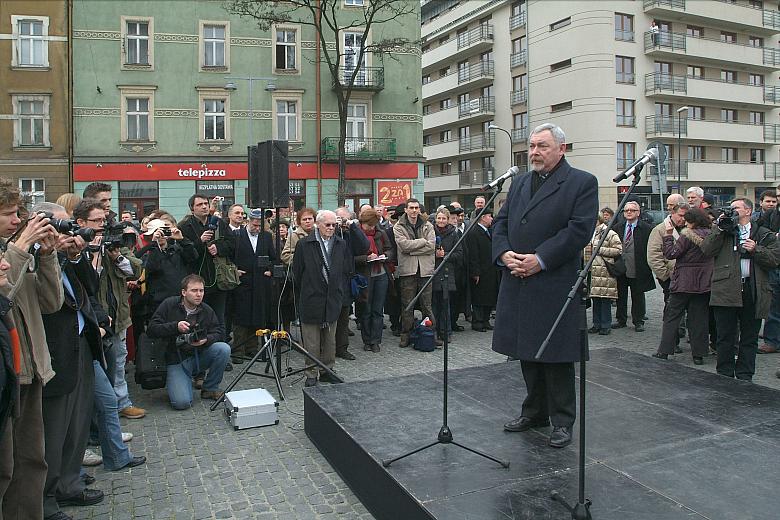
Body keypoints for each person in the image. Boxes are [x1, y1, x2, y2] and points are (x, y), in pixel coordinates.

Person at [493, 123, 598, 449]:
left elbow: (578, 231)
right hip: (518, 280)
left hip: (553, 281)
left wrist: (540, 259)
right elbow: (501, 222)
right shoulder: (521, 182)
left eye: (542, 146)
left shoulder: (581, 183)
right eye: (532, 146)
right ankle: (534, 411)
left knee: (555, 356)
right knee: (527, 351)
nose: (534, 152)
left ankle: (562, 420)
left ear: (561, 149)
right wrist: (503, 253)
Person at [0, 179, 64, 518]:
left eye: (18, 213)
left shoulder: (14, 249)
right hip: (7, 376)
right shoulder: (12, 252)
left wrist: (49, 254)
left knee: (31, 462)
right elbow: (2, 300)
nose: (17, 220)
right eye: (8, 213)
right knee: (5, 469)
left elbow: (51, 302)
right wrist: (20, 248)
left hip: (31, 369)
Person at [40, 203, 106, 518]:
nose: (70, 232)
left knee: (77, 423)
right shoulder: (36, 255)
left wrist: (76, 256)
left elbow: (93, 288)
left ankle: (69, 482)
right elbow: (47, 302)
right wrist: (50, 255)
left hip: (81, 343)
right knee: (54, 430)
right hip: (55, 349)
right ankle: (47, 496)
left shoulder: (69, 254)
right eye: (64, 226)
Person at [701, 198, 780, 381]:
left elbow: (774, 260)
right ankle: (725, 374)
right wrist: (720, 228)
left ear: (748, 211)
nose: (732, 211)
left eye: (736, 208)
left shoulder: (763, 233)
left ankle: (745, 375)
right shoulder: (723, 230)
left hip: (753, 291)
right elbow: (706, 250)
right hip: (726, 289)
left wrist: (756, 250)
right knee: (725, 336)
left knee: (749, 337)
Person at [146, 274, 231, 408]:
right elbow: (151, 329)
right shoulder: (169, 304)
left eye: (201, 291)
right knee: (182, 403)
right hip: (176, 359)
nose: (199, 295)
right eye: (194, 290)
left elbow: (219, 331)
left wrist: (206, 339)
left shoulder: (206, 310)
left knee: (223, 349)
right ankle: (178, 381)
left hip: (199, 355)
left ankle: (210, 388)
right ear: (184, 292)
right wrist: (175, 327)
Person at [293, 210, 352, 387]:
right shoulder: (304, 244)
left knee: (329, 340)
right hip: (311, 298)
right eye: (328, 225)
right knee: (311, 341)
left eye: (334, 225)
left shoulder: (341, 244)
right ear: (318, 224)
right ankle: (311, 373)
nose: (331, 228)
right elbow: (297, 272)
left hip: (332, 298)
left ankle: (327, 370)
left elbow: (345, 269)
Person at [652, 208, 714, 364]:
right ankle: (698, 354)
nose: (684, 223)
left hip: (684, 283)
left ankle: (664, 351)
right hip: (703, 282)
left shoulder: (687, 235)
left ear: (692, 221)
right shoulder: (712, 235)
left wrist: (667, 236)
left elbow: (671, 253)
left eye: (687, 220)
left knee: (672, 316)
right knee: (699, 319)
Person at [178, 194, 236, 332]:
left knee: (218, 317)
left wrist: (219, 248)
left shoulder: (218, 222)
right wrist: (199, 241)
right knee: (197, 318)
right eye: (199, 205)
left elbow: (232, 244)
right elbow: (185, 255)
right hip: (196, 279)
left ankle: (220, 346)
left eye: (206, 203)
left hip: (218, 280)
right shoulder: (185, 226)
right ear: (192, 209)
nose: (204, 206)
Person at [231, 209, 276, 361]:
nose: (257, 228)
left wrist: (270, 270)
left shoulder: (267, 237)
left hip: (260, 282)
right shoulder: (237, 236)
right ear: (248, 221)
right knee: (241, 317)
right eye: (255, 225)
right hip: (243, 282)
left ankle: (252, 349)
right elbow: (230, 258)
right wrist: (234, 270)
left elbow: (274, 258)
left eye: (259, 226)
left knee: (257, 314)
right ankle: (237, 350)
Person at [394, 198, 436, 348]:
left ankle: (430, 333)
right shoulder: (398, 226)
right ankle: (406, 334)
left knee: (427, 305)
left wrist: (413, 249)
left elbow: (432, 246)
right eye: (411, 207)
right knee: (407, 305)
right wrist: (422, 241)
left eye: (416, 208)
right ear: (406, 209)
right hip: (408, 271)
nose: (413, 210)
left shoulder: (428, 225)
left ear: (419, 209)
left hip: (425, 270)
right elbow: (404, 246)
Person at [611, 201, 656, 332]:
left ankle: (638, 321)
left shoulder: (647, 228)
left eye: (632, 210)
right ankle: (621, 319)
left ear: (638, 213)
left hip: (638, 266)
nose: (629, 212)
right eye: (626, 210)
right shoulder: (617, 227)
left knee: (638, 295)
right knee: (620, 294)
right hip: (621, 267)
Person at [355, 208, 394, 352]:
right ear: (362, 223)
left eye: (373, 225)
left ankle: (376, 340)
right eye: (368, 225)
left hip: (381, 274)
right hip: (365, 275)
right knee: (366, 309)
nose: (371, 228)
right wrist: (366, 258)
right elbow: (351, 257)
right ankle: (366, 340)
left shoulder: (381, 233)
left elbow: (390, 249)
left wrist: (384, 255)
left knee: (378, 310)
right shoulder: (357, 235)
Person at [333, 207, 369, 361]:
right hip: (331, 282)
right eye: (339, 218)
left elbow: (364, 246)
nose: (342, 222)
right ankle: (327, 349)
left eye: (344, 218)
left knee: (343, 318)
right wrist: (334, 227)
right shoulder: (330, 232)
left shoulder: (349, 234)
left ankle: (342, 348)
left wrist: (352, 226)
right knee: (330, 318)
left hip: (346, 281)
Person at [585, 211, 622, 335]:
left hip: (604, 270)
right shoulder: (590, 232)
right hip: (592, 270)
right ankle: (596, 324)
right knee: (595, 298)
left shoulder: (609, 232)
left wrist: (600, 250)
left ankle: (605, 324)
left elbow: (618, 250)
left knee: (605, 299)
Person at [431, 208, 463, 343]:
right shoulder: (430, 231)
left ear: (448, 219)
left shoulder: (453, 234)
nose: (441, 221)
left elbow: (459, 253)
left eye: (444, 218)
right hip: (432, 272)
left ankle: (446, 332)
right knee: (433, 305)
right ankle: (434, 331)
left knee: (445, 305)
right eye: (439, 218)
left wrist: (446, 255)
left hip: (447, 272)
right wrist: (435, 253)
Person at [466, 208, 498, 332]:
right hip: (480, 271)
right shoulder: (474, 232)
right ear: (483, 217)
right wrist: (475, 272)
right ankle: (478, 321)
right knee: (479, 298)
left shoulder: (488, 231)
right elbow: (473, 254)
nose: (491, 218)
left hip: (490, 270)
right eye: (490, 216)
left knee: (489, 296)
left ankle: (485, 320)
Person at [757, 189, 780, 354]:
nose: (775, 202)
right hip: (774, 265)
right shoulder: (770, 215)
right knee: (773, 306)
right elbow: (760, 234)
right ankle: (771, 341)